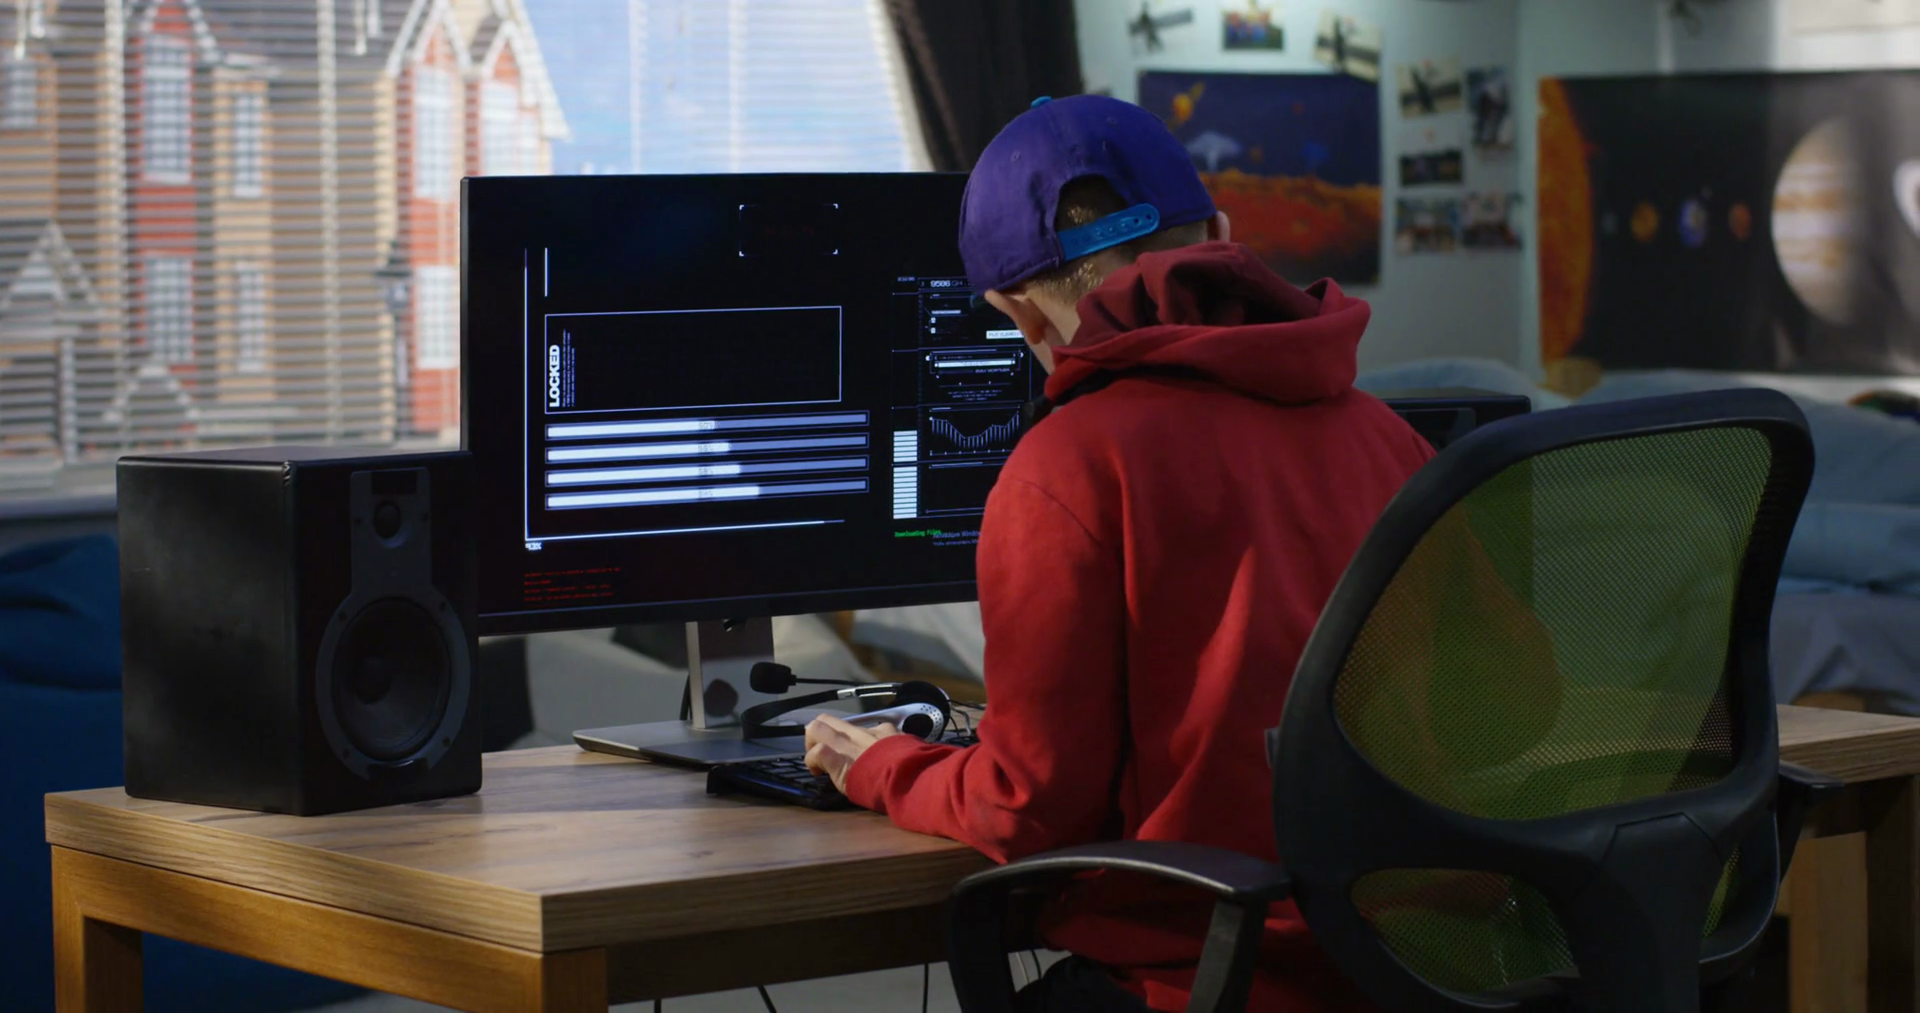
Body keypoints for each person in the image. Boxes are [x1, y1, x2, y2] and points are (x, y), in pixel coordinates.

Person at [804, 94, 1433, 1011]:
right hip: (1421, 969)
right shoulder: (1391, 439)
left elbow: (1026, 809)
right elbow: (1522, 698)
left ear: (1018, 314)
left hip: (1210, 981)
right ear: (1221, 235)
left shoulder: (1066, 468)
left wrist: (883, 765)